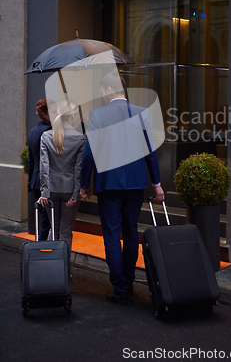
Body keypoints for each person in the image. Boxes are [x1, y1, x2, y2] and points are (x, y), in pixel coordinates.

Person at [80, 71, 164, 305]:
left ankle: (119, 288)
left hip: (108, 184)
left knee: (111, 235)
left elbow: (89, 154)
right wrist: (157, 183)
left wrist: (83, 184)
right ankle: (128, 282)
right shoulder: (141, 113)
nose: (101, 95)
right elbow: (150, 151)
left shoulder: (97, 115)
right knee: (130, 232)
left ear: (108, 90)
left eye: (101, 91)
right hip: (136, 184)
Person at [38, 98, 86, 252]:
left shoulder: (46, 136)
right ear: (72, 116)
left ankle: (52, 268)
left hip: (51, 189)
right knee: (65, 231)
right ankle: (63, 268)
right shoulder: (80, 138)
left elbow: (44, 167)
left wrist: (44, 192)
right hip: (69, 189)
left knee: (54, 228)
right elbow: (79, 169)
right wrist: (75, 194)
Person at [27, 99, 57, 240]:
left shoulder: (33, 132)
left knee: (44, 219)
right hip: (47, 181)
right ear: (44, 114)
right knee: (47, 220)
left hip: (35, 181)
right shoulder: (49, 132)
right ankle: (41, 250)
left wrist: (30, 183)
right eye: (54, 112)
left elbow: (30, 160)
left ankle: (41, 246)